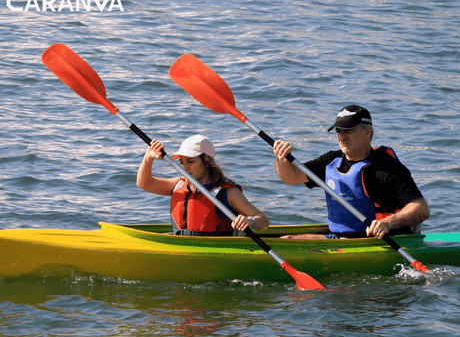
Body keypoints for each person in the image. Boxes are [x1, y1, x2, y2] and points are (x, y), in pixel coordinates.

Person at [273, 104, 430, 239]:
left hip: (380, 240)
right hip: (342, 237)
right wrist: (281, 159)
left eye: (348, 130)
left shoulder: (387, 168)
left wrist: (387, 223)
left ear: (367, 132)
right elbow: (291, 177)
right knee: (286, 238)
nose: (342, 136)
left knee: (288, 239)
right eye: (338, 131)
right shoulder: (331, 161)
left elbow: (421, 209)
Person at [137, 134, 269, 236]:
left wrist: (250, 220)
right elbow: (144, 184)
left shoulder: (228, 193)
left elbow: (263, 221)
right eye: (182, 162)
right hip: (181, 246)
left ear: (206, 161)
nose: (185, 167)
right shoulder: (177, 185)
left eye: (190, 161)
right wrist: (148, 157)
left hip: (214, 251)